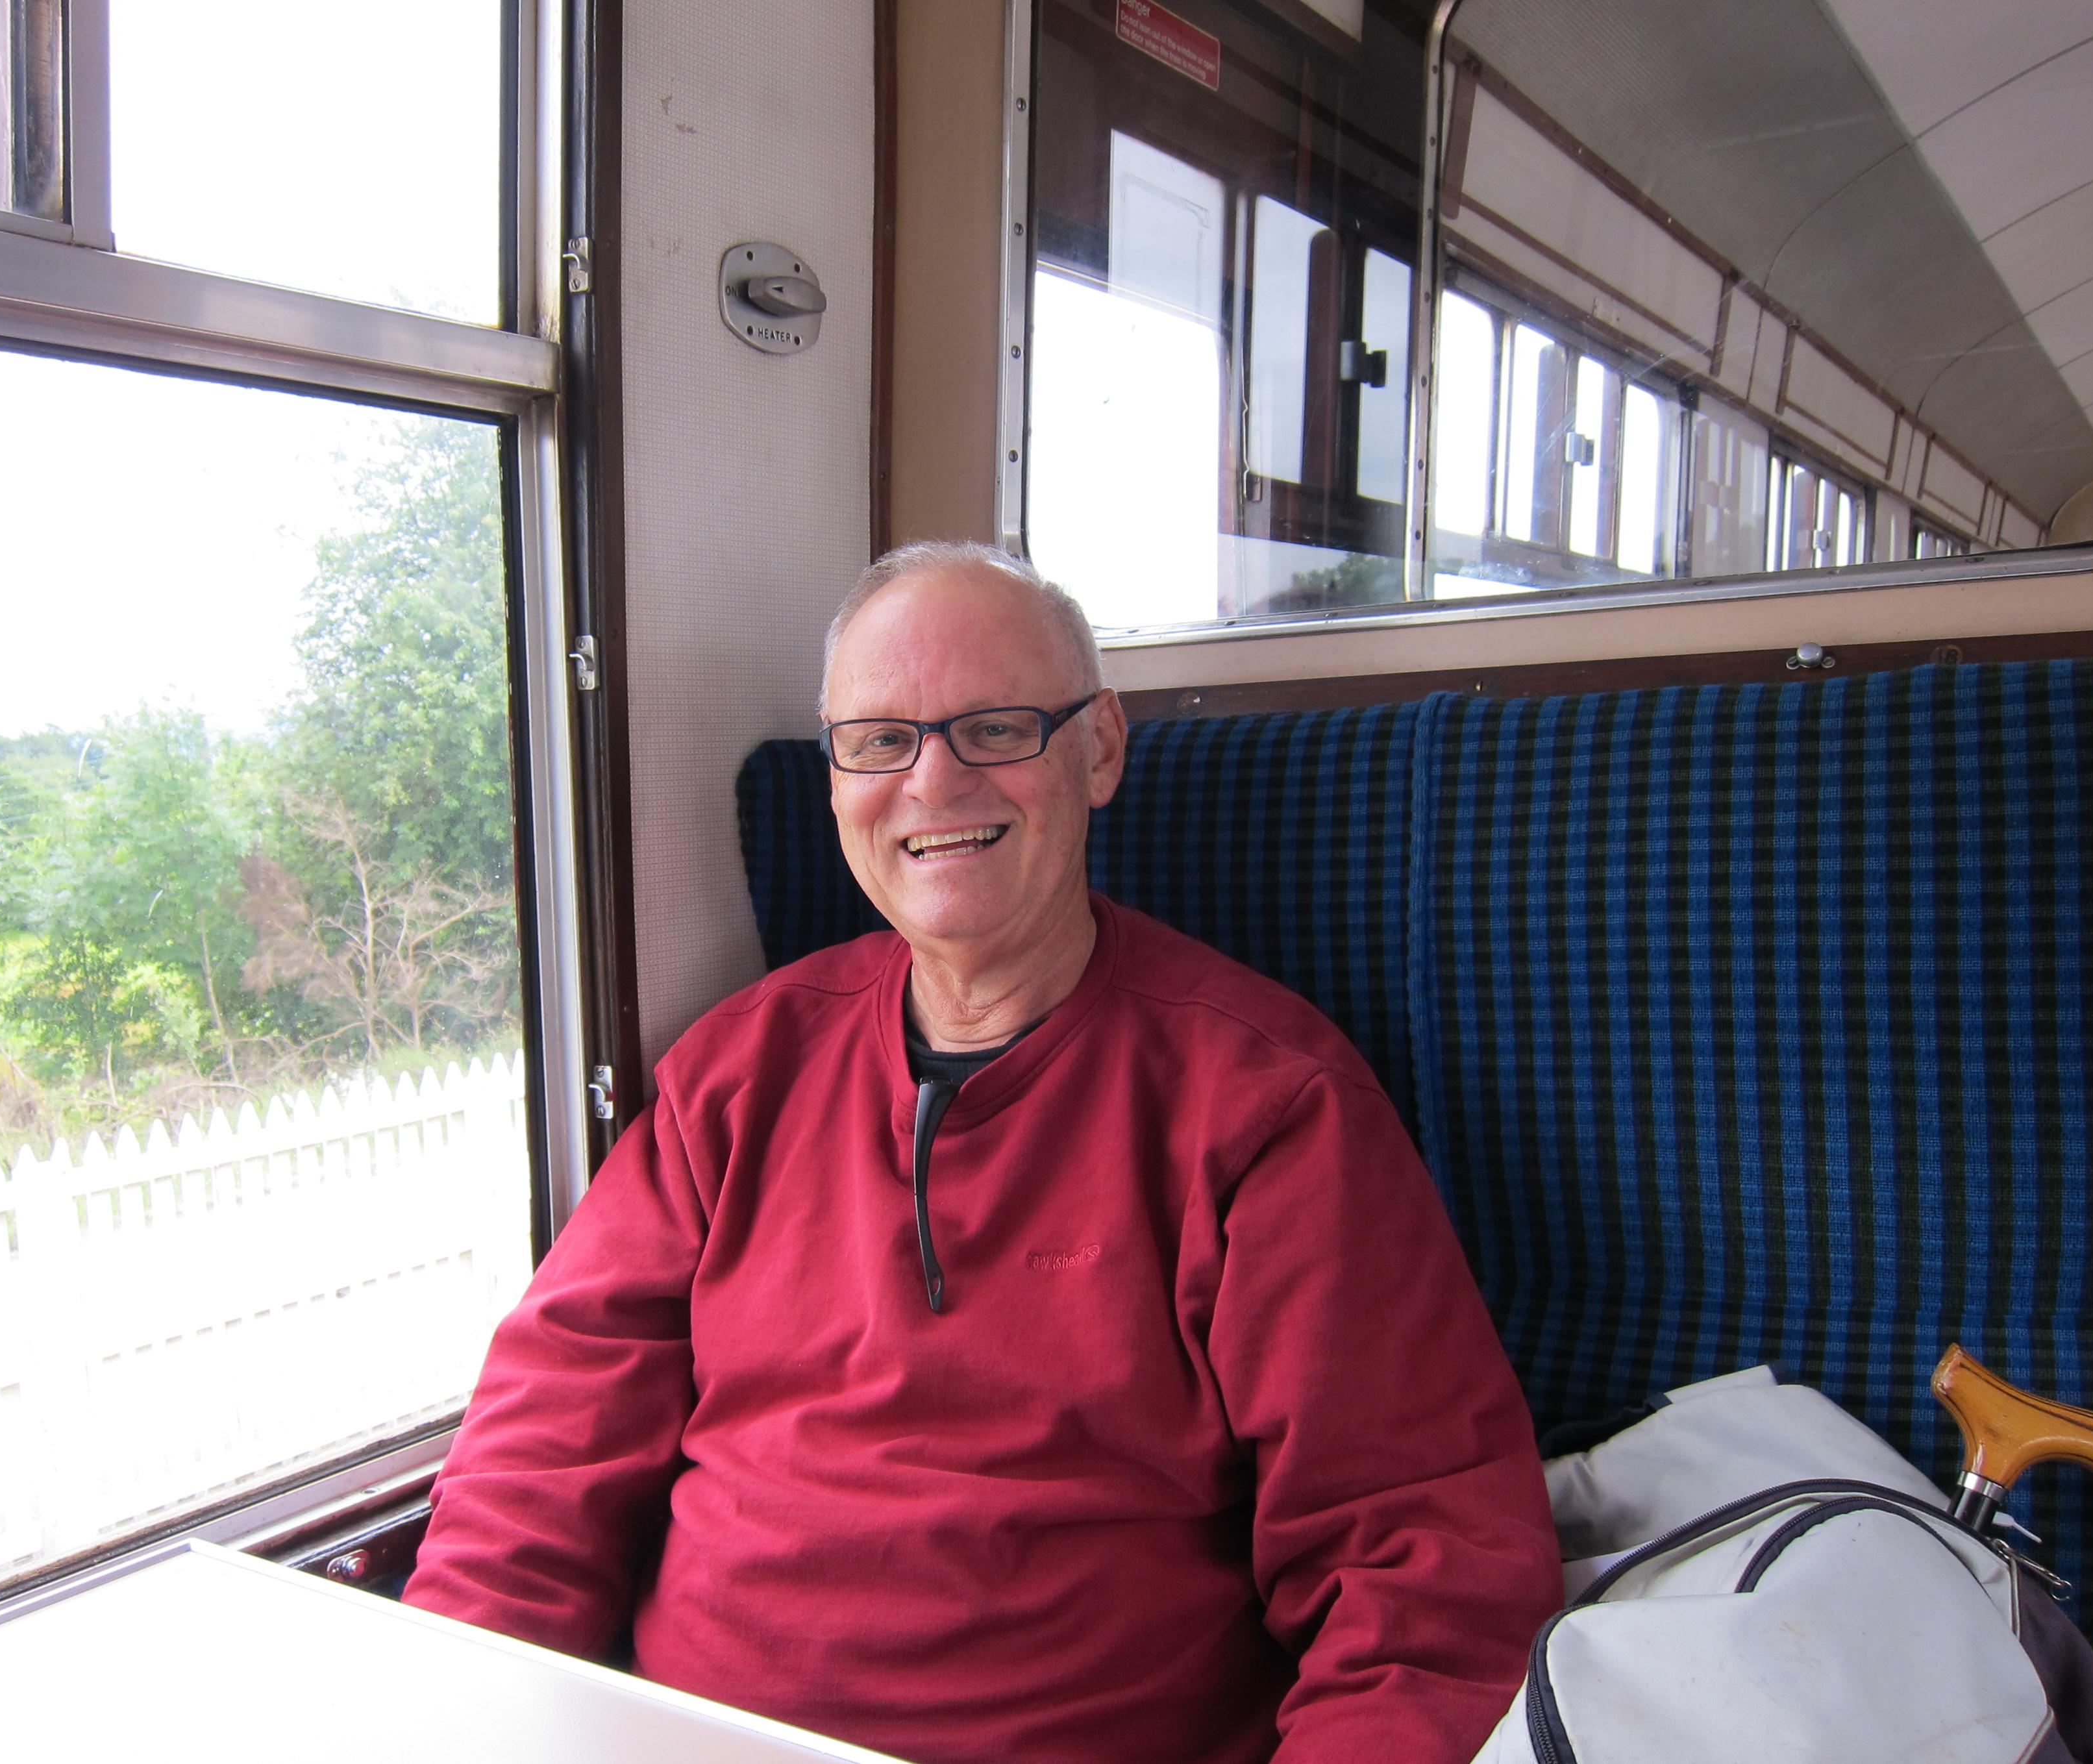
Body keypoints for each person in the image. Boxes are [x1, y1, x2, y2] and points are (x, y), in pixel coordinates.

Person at [403, 541, 1561, 1762]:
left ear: (1100, 748)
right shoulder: (733, 1077)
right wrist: (462, 1717)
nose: (933, 782)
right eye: (880, 739)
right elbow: (539, 1456)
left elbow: (1421, 1580)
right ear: (838, 777)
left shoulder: (1269, 1108)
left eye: (996, 727)